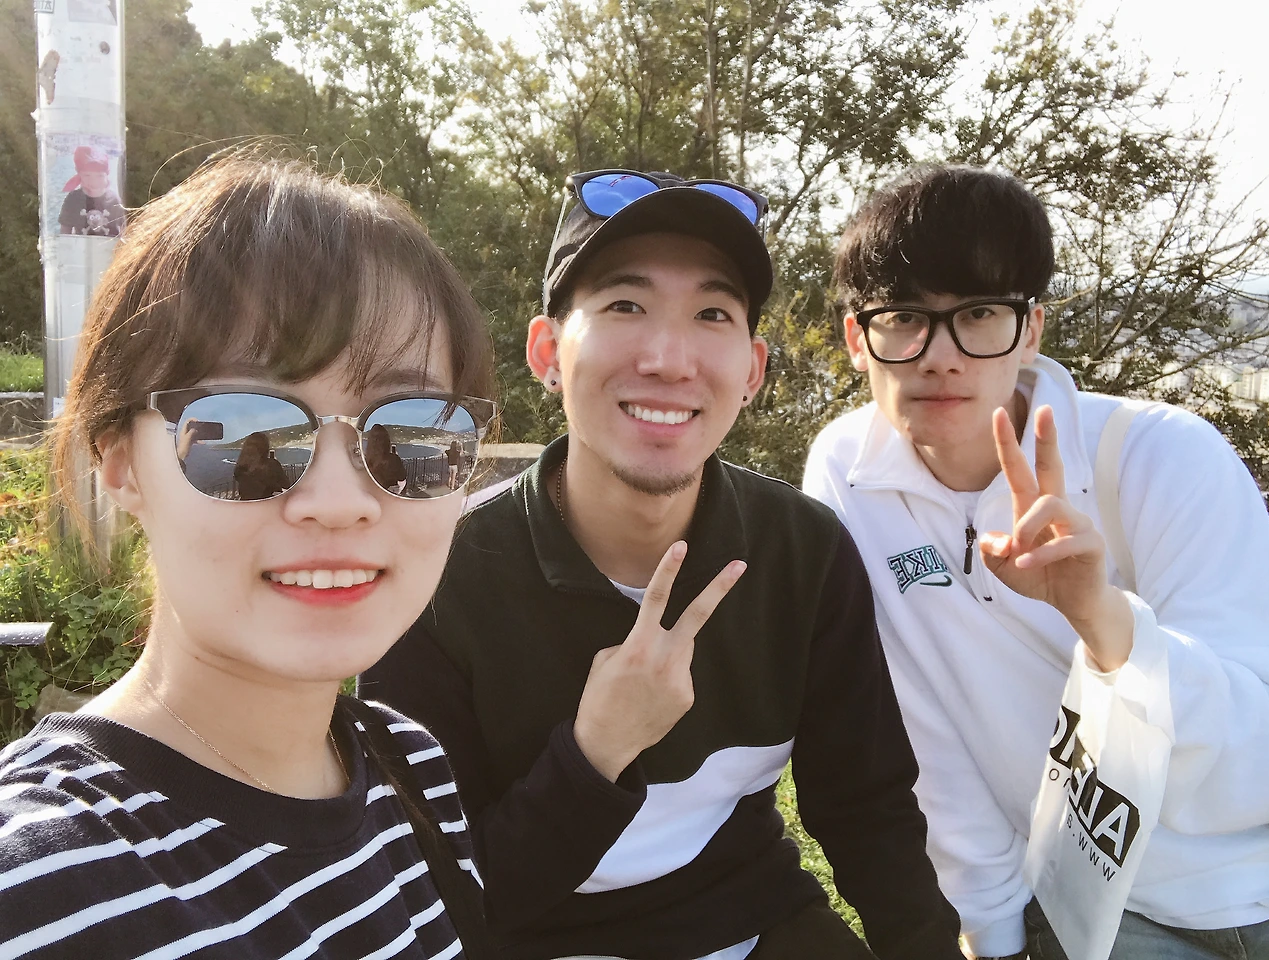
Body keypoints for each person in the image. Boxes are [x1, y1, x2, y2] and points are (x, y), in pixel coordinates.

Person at [362, 170, 964, 960]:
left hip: (750, 917)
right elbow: (440, 897)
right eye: (625, 305)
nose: (669, 358)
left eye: (712, 314)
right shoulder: (439, 580)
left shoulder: (803, 553)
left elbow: (867, 809)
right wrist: (594, 753)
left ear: (752, 372)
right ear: (547, 353)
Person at [0, 155, 500, 958]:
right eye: (241, 430)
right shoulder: (41, 883)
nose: (339, 501)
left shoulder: (411, 766)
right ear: (120, 463)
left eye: (410, 433)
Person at [803, 165, 1269, 960]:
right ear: (859, 339)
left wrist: (1108, 626)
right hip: (1082, 914)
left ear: (1030, 330)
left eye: (979, 314)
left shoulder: (1163, 458)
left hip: (1253, 883)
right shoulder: (850, 473)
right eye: (905, 319)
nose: (941, 357)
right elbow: (922, 729)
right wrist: (992, 932)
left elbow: (1265, 761)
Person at [58, 144, 126, 237]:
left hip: (110, 246)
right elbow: (65, 232)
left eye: (100, 176)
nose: (94, 181)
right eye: (87, 175)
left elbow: (124, 230)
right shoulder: (73, 199)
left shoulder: (114, 199)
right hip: (81, 246)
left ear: (107, 174)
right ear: (79, 174)